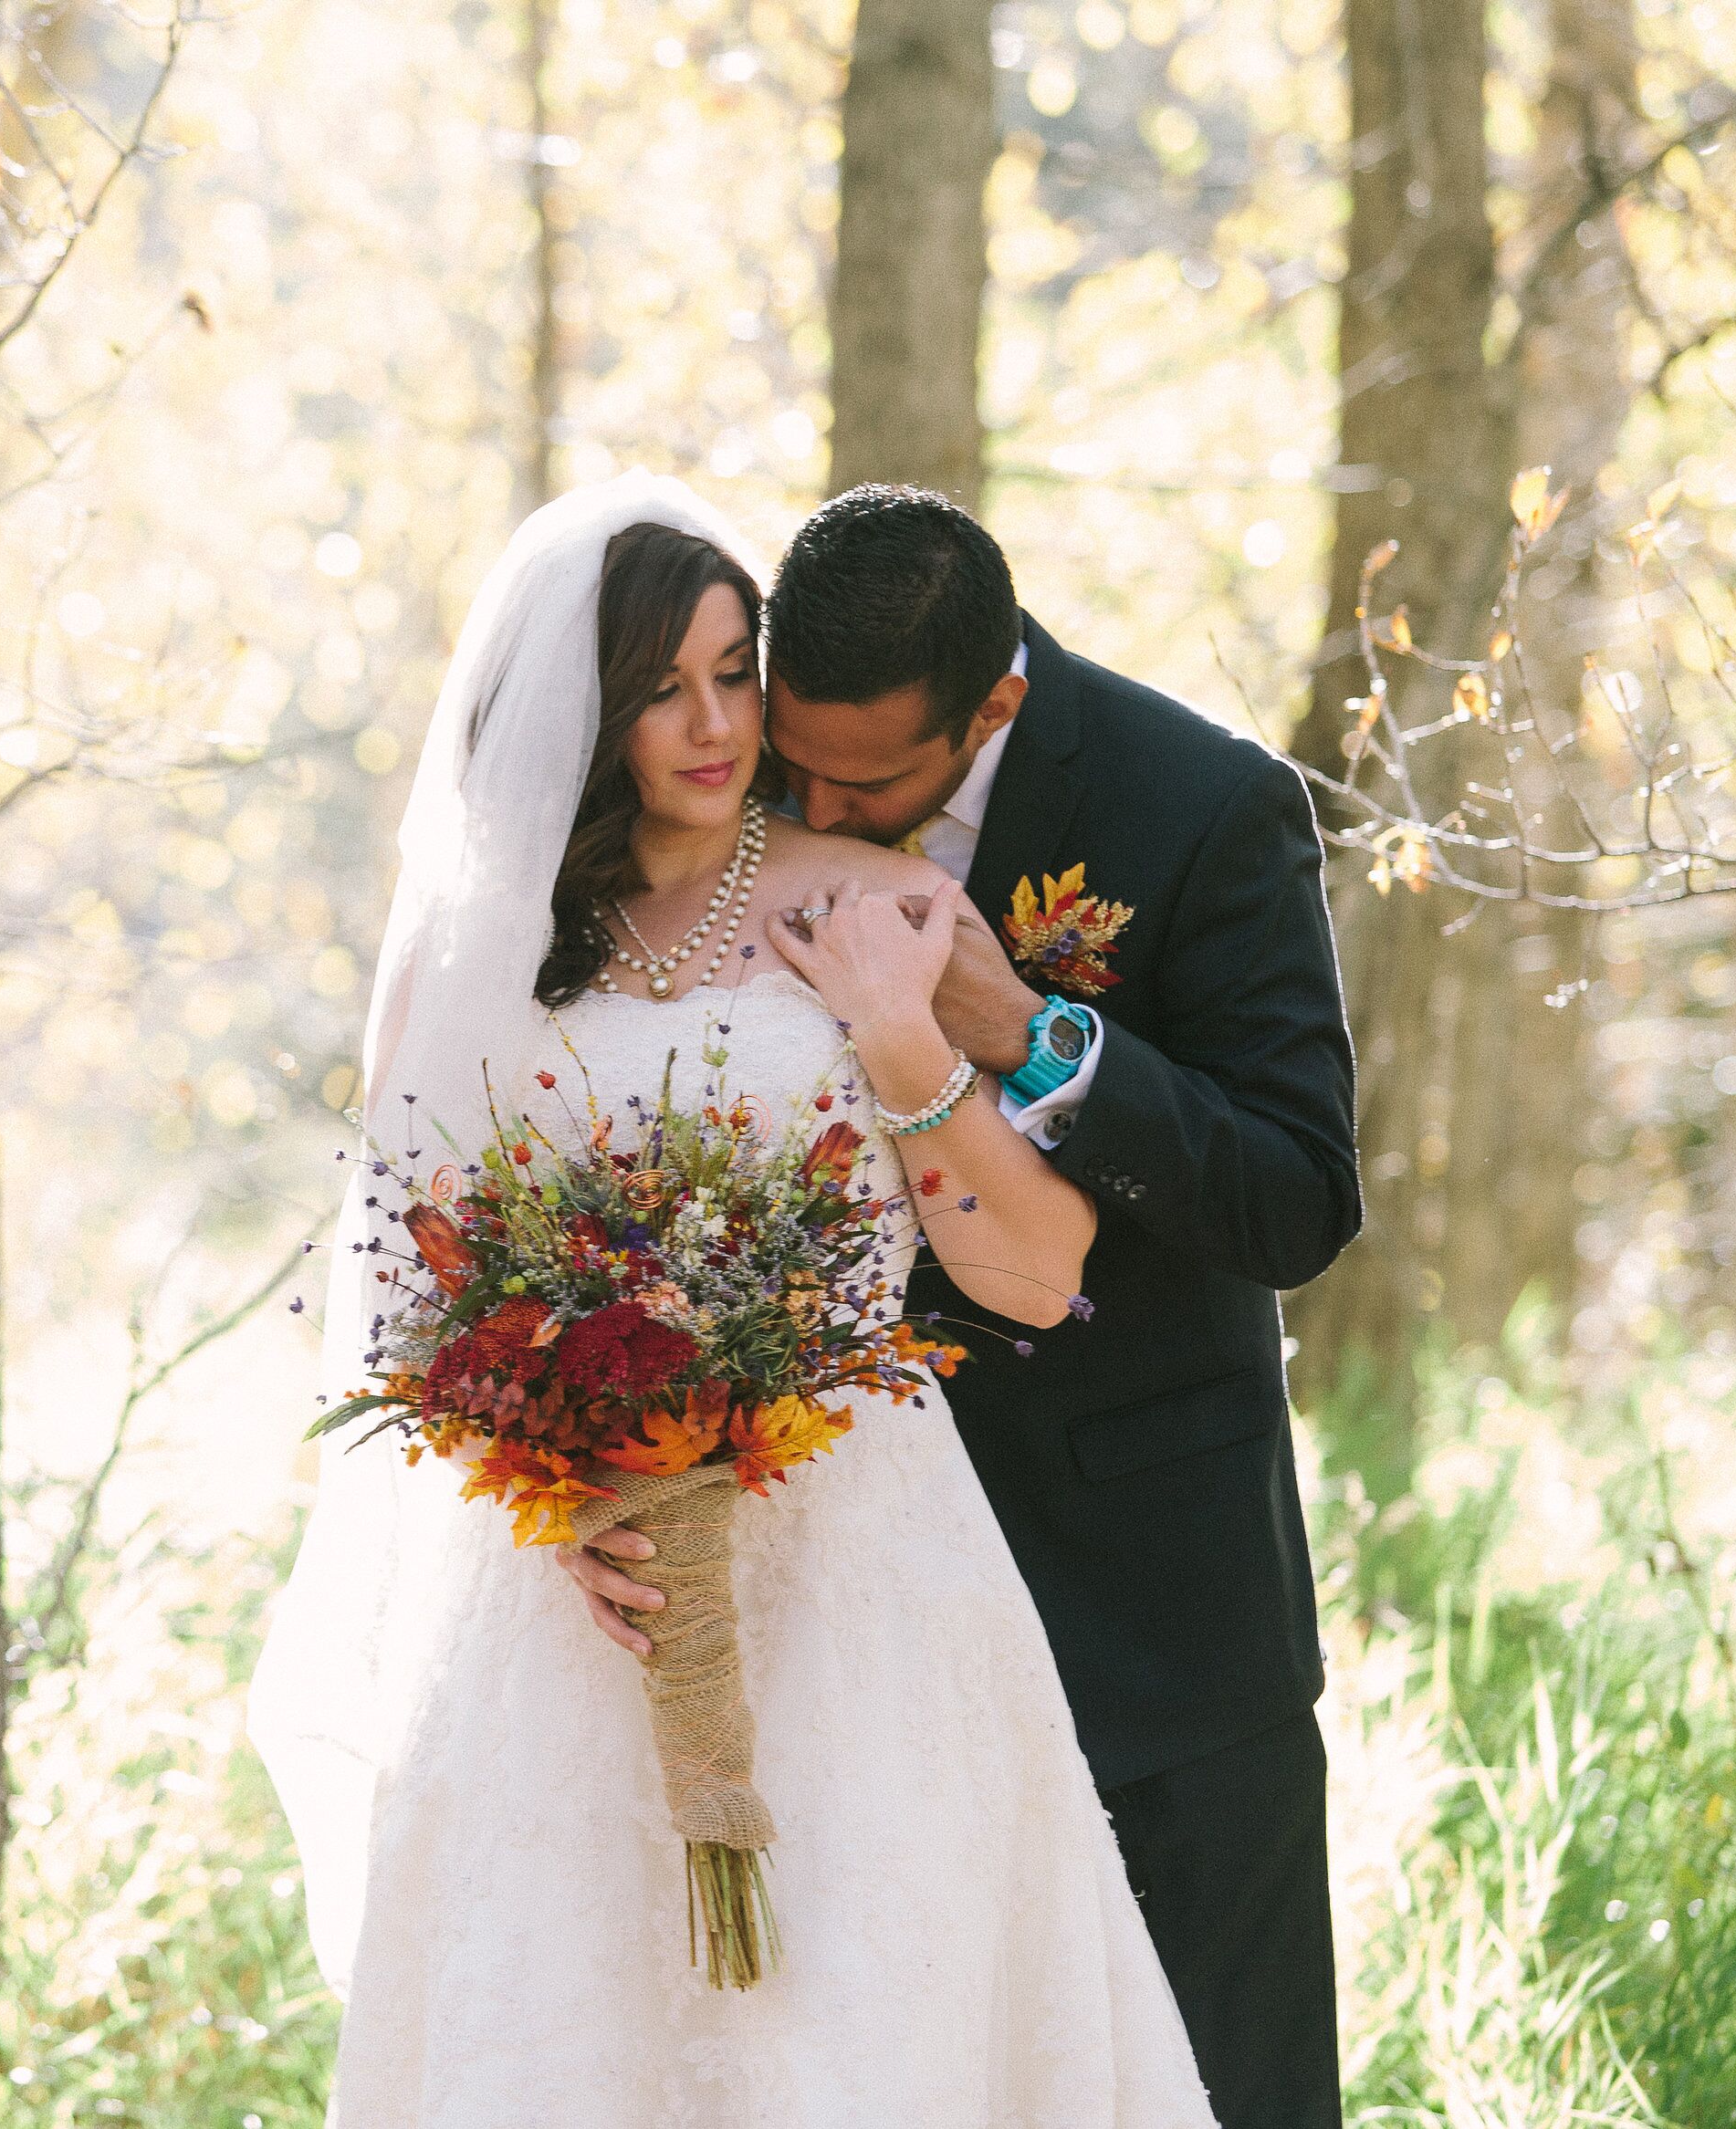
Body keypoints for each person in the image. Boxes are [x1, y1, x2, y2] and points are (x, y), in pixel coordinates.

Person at [253, 474, 1220, 2127]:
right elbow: (409, 1305)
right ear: (582, 711)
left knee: (860, 2039)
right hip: (578, 1600)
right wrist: (562, 1499)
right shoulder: (472, 962)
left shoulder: (882, 900)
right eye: (660, 689)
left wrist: (907, 1038)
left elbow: (1041, 1270)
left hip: (863, 1576)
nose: (713, 724)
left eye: (731, 668)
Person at [565, 483, 1362, 2128]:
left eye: (866, 782)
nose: (810, 798)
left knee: (1214, 2087)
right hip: (831, 1608)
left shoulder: (1202, 803)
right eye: (794, 758)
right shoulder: (726, 828)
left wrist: (1029, 1030)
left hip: (1148, 1601)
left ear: (995, 702)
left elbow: (1295, 1197)